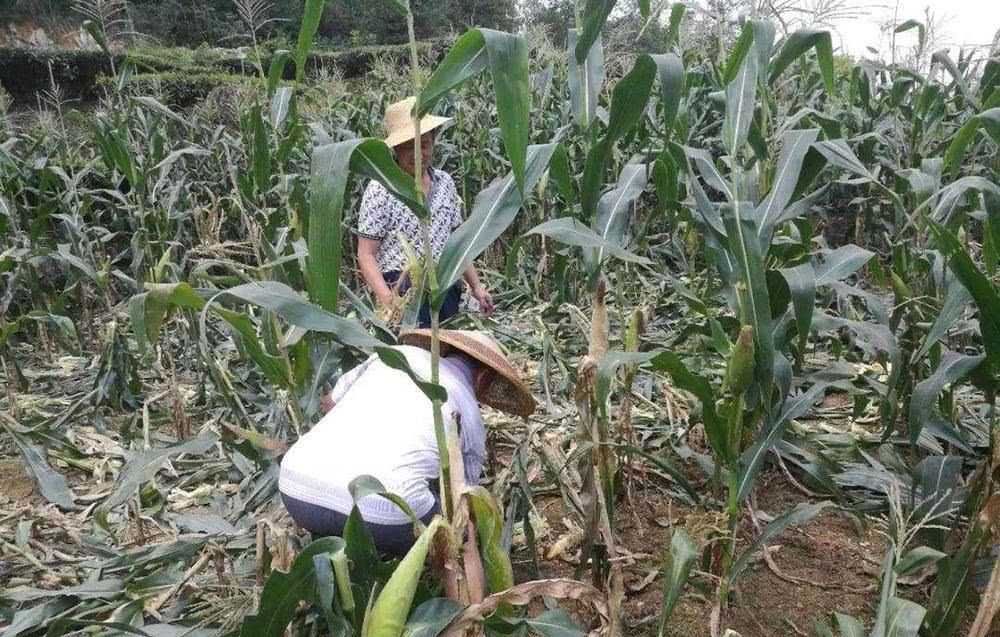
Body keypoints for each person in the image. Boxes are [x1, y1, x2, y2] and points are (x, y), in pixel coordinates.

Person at [278, 330, 534, 595]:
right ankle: (468, 619)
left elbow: (329, 403)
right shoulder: (467, 409)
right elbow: (460, 497)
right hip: (384, 517)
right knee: (461, 530)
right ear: (482, 378)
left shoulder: (393, 356)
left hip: (295, 487)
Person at [356, 96, 494, 327]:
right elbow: (366, 255)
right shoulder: (380, 189)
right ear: (396, 149)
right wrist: (389, 300)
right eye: (410, 146)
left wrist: (477, 287)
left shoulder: (445, 183)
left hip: (445, 287)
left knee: (443, 358)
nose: (419, 153)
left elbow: (458, 245)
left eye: (425, 144)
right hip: (403, 290)